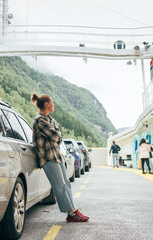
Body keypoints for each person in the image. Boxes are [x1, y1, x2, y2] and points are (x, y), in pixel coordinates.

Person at [31, 93, 89, 222]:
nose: (54, 105)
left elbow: (59, 136)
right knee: (60, 186)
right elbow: (54, 135)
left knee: (66, 183)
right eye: (52, 102)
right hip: (48, 158)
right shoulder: (39, 120)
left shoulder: (49, 119)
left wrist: (57, 135)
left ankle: (72, 211)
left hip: (56, 156)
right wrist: (57, 135)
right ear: (46, 104)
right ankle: (71, 213)